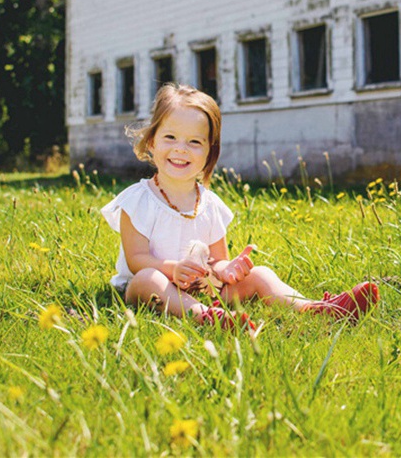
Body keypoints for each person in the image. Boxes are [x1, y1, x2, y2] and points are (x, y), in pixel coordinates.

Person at [101, 83, 378, 330]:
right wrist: (173, 269)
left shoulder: (210, 205)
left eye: (194, 142)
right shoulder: (139, 200)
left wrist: (227, 269)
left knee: (261, 274)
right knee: (149, 278)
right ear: (152, 142)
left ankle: (314, 308)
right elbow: (137, 260)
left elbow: (218, 259)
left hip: (202, 288)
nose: (181, 149)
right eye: (170, 138)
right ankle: (206, 317)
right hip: (151, 288)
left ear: (210, 151)